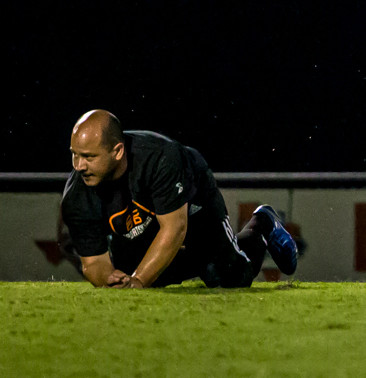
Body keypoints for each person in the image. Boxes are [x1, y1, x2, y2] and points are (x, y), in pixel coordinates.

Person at [61, 109, 299, 288]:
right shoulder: (75, 195)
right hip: (148, 218)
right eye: (74, 155)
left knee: (230, 276)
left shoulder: (161, 158)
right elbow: (93, 263)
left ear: (118, 151)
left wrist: (139, 280)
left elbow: (175, 228)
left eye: (88, 157)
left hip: (193, 197)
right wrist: (109, 278)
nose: (79, 166)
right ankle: (202, 261)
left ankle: (262, 224)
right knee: (138, 273)